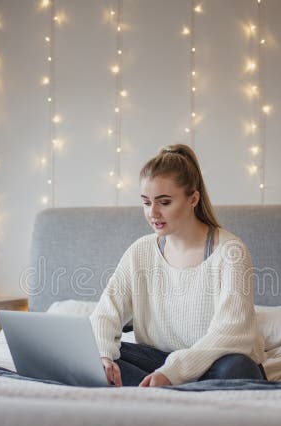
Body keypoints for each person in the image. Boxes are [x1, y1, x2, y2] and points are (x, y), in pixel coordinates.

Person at [90, 144, 267, 387]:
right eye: (146, 202)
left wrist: (172, 373)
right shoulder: (140, 251)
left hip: (215, 363)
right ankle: (172, 393)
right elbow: (105, 313)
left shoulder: (230, 252)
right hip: (158, 361)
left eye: (164, 202)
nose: (153, 213)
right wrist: (103, 356)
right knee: (92, 356)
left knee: (238, 367)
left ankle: (159, 391)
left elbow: (232, 332)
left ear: (193, 198)